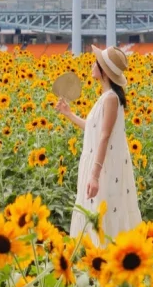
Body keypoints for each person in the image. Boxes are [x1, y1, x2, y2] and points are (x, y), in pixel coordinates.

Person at [56, 45, 141, 242]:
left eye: (97, 63)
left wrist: (94, 175)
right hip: (99, 164)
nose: (93, 65)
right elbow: (92, 129)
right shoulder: (105, 97)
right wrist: (68, 114)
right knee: (96, 215)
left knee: (102, 217)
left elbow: (104, 136)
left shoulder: (110, 99)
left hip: (103, 169)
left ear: (104, 72)